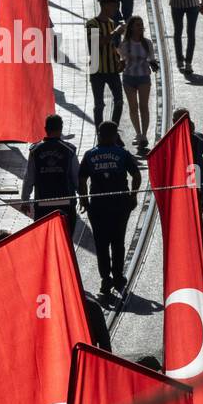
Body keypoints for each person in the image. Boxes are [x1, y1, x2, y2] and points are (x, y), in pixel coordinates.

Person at [79, 120, 141, 298]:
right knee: (118, 242)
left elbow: (82, 179)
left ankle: (105, 279)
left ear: (99, 134)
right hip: (120, 204)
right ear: (115, 136)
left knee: (101, 244)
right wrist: (133, 195)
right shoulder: (122, 153)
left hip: (98, 206)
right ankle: (119, 276)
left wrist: (84, 200)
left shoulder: (90, 155)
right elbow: (136, 175)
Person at [21, 113, 80, 235]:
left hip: (42, 203)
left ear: (45, 129)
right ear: (61, 128)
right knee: (66, 240)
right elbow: (76, 177)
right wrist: (84, 197)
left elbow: (29, 177)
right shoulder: (69, 150)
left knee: (45, 240)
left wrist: (25, 200)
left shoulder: (35, 150)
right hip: (66, 202)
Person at [119, 16, 158, 151]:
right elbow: (121, 58)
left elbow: (152, 57)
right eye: (137, 25)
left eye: (141, 25)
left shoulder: (147, 43)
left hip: (143, 76)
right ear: (131, 27)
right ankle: (138, 133)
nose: (140, 27)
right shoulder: (125, 44)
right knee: (133, 107)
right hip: (129, 77)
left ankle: (144, 135)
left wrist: (153, 63)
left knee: (143, 106)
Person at [86, 0, 125, 128]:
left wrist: (120, 59)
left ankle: (113, 130)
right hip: (97, 69)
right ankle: (100, 132)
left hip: (112, 68)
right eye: (114, 7)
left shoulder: (111, 23)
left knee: (119, 101)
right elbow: (98, 42)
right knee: (99, 104)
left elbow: (113, 46)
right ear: (105, 6)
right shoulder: (92, 23)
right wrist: (115, 32)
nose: (116, 10)